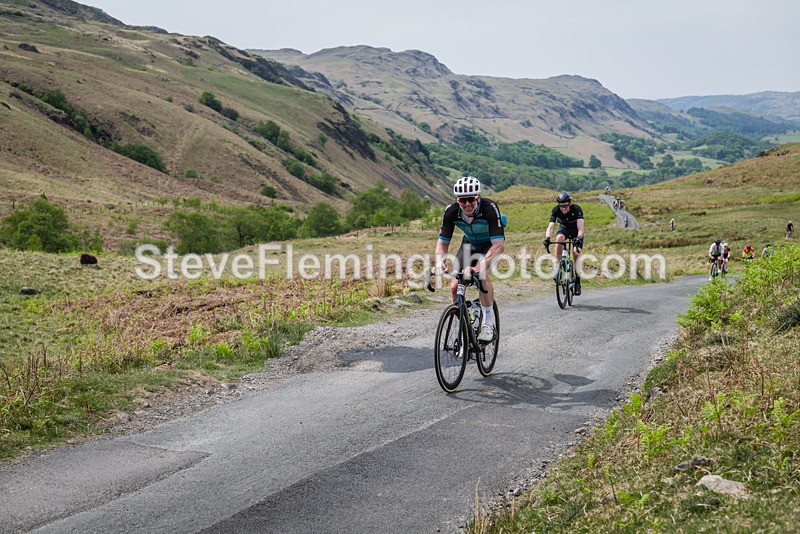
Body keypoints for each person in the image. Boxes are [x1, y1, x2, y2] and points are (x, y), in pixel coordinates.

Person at [434, 176, 505, 342]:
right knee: (454, 285)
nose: (467, 204)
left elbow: (498, 245)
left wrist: (478, 267)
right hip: (469, 244)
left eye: (471, 199)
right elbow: (443, 242)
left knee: (482, 275)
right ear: (457, 200)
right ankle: (466, 327)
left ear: (478, 197)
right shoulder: (451, 211)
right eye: (462, 200)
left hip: (490, 244)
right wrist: (439, 262)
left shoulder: (489, 208)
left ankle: (488, 325)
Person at [544, 191, 585, 295]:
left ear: (570, 203)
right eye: (561, 206)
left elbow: (581, 227)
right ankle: (558, 267)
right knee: (559, 240)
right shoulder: (556, 210)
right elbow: (551, 226)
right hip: (564, 229)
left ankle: (577, 281)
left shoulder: (576, 209)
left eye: (566, 206)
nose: (563, 208)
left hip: (576, 231)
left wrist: (579, 238)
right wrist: (548, 238)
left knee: (576, 253)